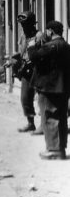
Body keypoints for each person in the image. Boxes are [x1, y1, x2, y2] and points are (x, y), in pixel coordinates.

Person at [27, 20, 70, 160]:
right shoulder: (66, 46)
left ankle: (53, 149)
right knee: (61, 117)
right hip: (63, 87)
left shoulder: (51, 46)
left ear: (50, 31)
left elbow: (33, 57)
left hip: (49, 88)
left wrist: (33, 43)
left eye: (47, 31)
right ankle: (61, 148)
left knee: (49, 117)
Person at [8, 11, 42, 134]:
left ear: (32, 24)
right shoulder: (23, 36)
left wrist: (33, 59)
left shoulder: (39, 36)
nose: (23, 27)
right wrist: (12, 60)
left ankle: (43, 126)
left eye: (26, 25)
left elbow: (44, 54)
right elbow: (21, 52)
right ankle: (31, 123)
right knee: (25, 98)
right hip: (26, 72)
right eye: (22, 25)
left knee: (42, 99)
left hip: (38, 71)